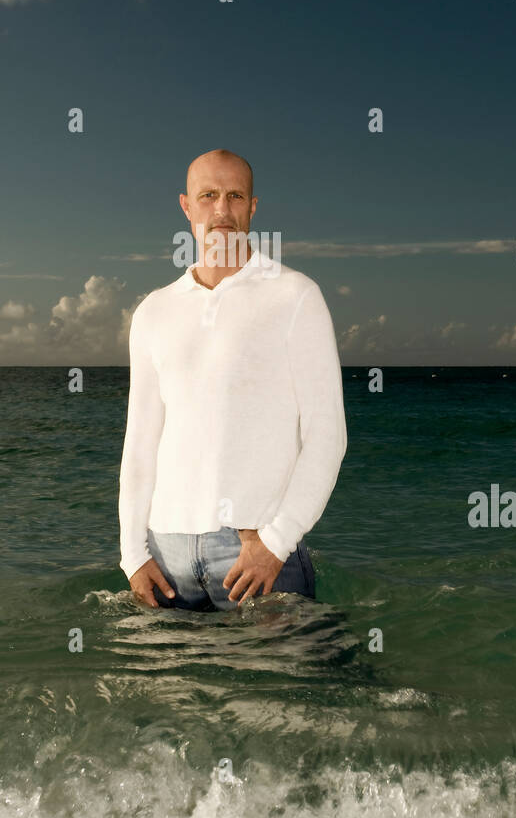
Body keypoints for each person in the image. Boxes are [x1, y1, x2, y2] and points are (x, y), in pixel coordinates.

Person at [118, 149, 347, 610]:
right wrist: (132, 555)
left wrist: (276, 541)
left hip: (254, 552)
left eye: (234, 195)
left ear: (252, 207)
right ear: (186, 206)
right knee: (170, 685)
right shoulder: (153, 311)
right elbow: (141, 441)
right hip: (165, 557)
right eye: (208, 196)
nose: (221, 209)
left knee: (296, 682)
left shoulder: (295, 296)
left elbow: (328, 435)